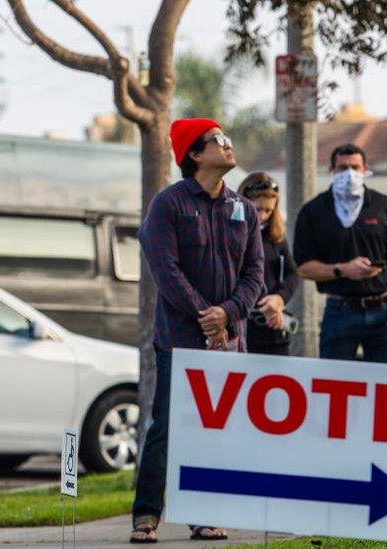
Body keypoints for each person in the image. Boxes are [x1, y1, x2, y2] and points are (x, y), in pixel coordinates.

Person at [129, 118, 264, 543]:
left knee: (216, 430)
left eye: (227, 138)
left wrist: (227, 314)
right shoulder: (167, 205)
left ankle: (205, 515)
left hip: (230, 340)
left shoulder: (244, 208)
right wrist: (206, 316)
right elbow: (165, 270)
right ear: (194, 154)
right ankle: (146, 515)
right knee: (167, 426)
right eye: (217, 141)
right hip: (179, 339)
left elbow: (254, 274)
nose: (228, 145)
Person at [293, 144, 387, 363]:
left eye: (355, 167)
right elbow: (303, 267)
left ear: (365, 169)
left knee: (386, 386)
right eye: (342, 168)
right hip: (341, 309)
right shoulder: (314, 210)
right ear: (332, 170)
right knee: (334, 385)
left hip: (384, 310)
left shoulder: (382, 205)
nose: (349, 173)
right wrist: (342, 270)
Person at [237, 172, 300, 355]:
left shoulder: (276, 237)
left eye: (268, 211)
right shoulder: (230, 236)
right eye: (257, 209)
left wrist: (279, 299)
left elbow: (292, 274)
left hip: (274, 328)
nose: (262, 216)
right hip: (241, 328)